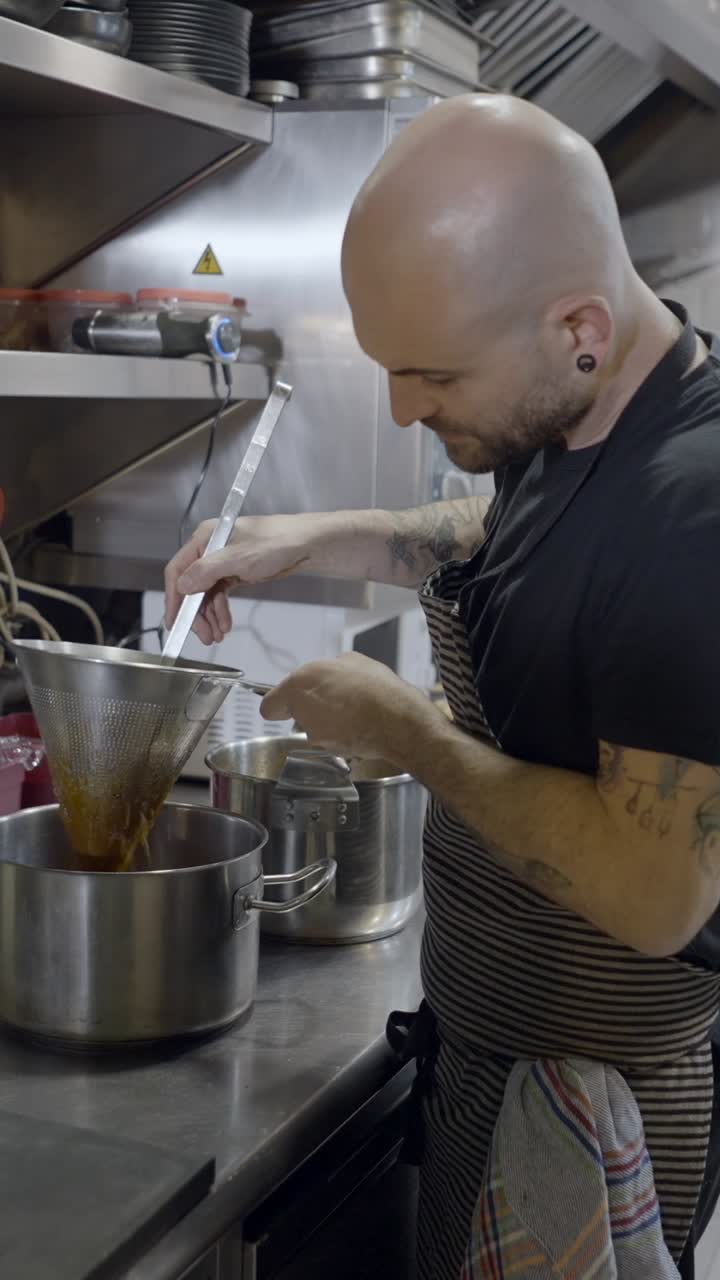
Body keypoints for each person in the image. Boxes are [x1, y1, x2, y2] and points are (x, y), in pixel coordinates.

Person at [166, 95, 720, 1277]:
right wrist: (317, 534)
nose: (404, 409)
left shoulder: (696, 518)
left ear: (578, 325)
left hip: (590, 1101)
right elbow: (505, 528)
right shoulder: (583, 415)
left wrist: (405, 730)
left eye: (430, 374)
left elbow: (653, 889)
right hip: (492, 1048)